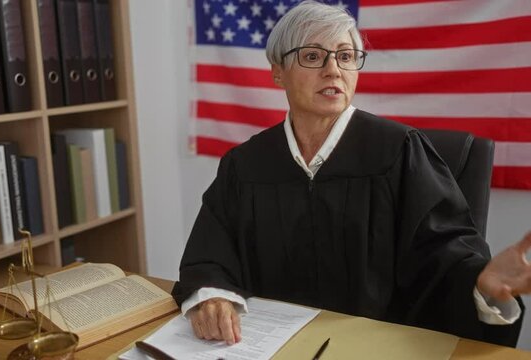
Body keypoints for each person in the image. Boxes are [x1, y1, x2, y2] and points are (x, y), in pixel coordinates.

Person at [172, 0, 531, 348]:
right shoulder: (246, 164)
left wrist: (480, 281)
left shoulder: (400, 151)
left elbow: (446, 254)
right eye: (312, 56)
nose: (333, 70)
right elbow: (211, 253)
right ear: (277, 71)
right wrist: (211, 296)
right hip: (270, 346)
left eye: (345, 56)